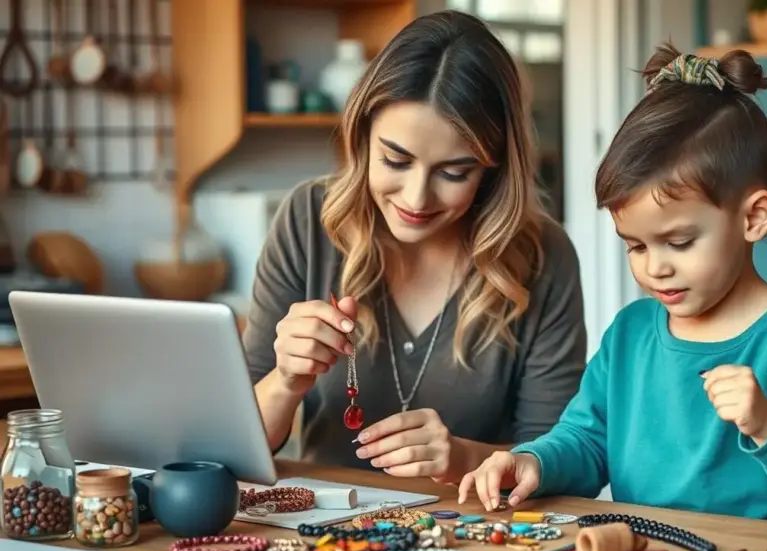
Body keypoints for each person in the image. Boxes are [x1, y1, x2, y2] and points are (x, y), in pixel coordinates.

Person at [458, 45, 767, 525]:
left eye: (679, 242)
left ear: (754, 217)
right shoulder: (631, 333)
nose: (655, 268)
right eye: (636, 246)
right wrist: (534, 461)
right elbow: (589, 440)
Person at [242, 10, 587, 485]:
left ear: (494, 167)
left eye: (454, 172)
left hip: (474, 538)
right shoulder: (308, 220)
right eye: (395, 160)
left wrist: (464, 459)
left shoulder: (544, 257)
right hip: (317, 534)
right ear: (362, 136)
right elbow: (237, 450)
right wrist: (285, 380)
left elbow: (561, 460)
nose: (416, 198)